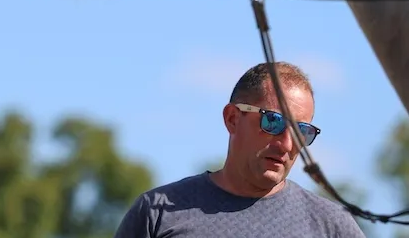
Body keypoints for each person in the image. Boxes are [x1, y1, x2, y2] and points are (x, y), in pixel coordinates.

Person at [113, 61, 365, 237]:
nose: (287, 144)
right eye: (273, 122)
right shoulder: (158, 213)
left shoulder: (331, 227)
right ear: (232, 118)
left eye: (301, 131)